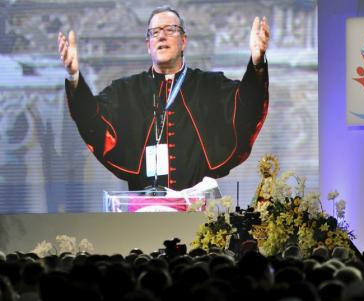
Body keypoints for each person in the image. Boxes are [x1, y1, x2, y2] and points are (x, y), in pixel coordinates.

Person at [58, 5, 269, 191]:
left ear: (183, 41)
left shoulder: (210, 85)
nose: (162, 36)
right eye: (155, 32)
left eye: (170, 30)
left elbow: (247, 107)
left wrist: (257, 64)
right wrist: (74, 76)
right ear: (147, 45)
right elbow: (91, 119)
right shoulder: (125, 90)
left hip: (198, 212)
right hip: (145, 212)